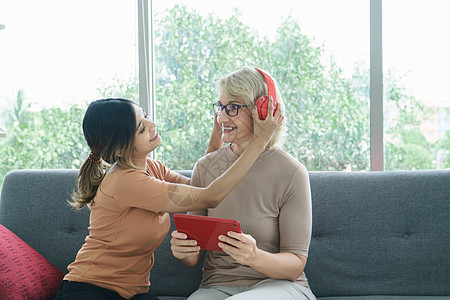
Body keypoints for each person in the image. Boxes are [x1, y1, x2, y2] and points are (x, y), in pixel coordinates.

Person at [56, 97, 283, 300]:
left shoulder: (152, 168)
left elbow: (199, 187)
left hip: (133, 293)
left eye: (145, 115)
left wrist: (218, 134)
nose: (152, 125)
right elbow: (210, 197)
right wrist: (259, 142)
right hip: (90, 289)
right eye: (141, 128)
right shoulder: (125, 182)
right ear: (121, 147)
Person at [170, 67, 316, 300]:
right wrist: (183, 251)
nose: (222, 117)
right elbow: (193, 258)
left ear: (263, 111)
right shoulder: (205, 167)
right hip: (217, 286)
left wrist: (254, 256)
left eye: (233, 108)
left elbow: (295, 264)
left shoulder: (291, 172)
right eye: (220, 107)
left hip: (280, 286)